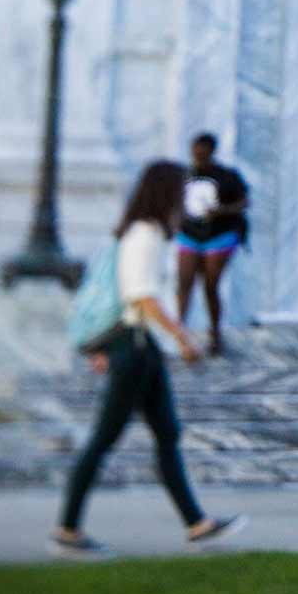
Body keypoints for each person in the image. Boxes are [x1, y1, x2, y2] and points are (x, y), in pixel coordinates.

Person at [53, 160, 242, 555]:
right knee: (105, 438)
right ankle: (68, 529)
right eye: (180, 190)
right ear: (165, 193)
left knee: (168, 433)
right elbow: (140, 297)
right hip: (134, 348)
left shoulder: (139, 232)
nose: (185, 198)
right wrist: (182, 336)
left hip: (140, 347)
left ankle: (197, 523)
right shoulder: (146, 233)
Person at [177, 132, 251, 355]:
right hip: (189, 234)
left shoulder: (227, 176)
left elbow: (243, 201)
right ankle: (179, 332)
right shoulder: (185, 175)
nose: (198, 156)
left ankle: (215, 334)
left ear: (211, 151)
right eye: (195, 151)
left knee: (210, 285)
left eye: (202, 152)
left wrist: (220, 211)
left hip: (219, 234)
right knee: (184, 281)